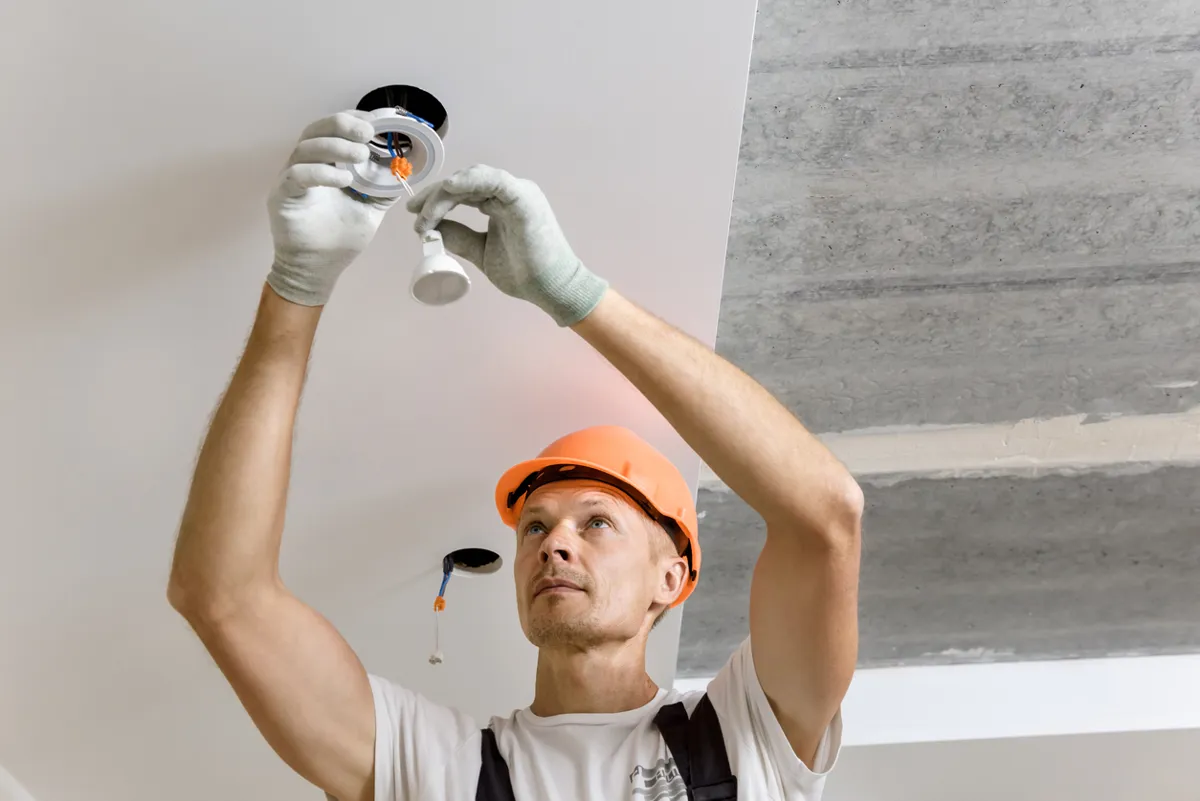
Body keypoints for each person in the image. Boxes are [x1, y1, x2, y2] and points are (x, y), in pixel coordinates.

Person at [167, 111, 864, 801]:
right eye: (535, 526)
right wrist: (297, 284)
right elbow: (224, 595)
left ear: (672, 574)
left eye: (596, 522)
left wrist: (574, 292)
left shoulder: (746, 740)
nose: (553, 544)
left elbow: (823, 514)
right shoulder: (436, 767)